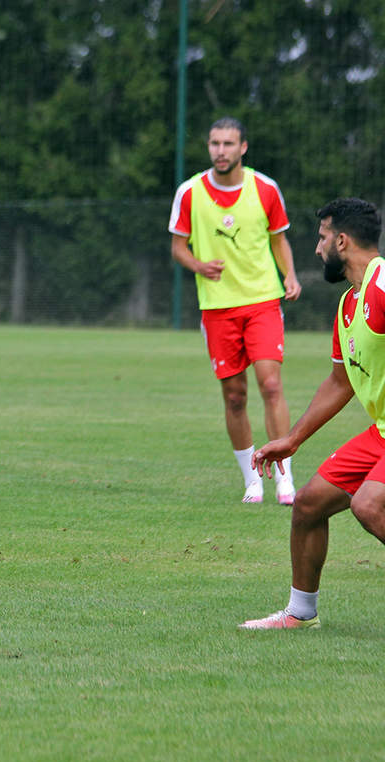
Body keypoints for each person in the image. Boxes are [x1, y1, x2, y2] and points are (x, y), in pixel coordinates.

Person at [241, 198, 385, 629]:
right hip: (381, 432)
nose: (317, 248)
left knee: (369, 504)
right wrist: (293, 439)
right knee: (307, 504)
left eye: (322, 237)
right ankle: (300, 614)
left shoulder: (382, 284)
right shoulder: (347, 305)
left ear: (342, 240)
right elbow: (339, 383)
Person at [169, 116, 301, 505]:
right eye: (214, 143)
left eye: (228, 144)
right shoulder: (190, 192)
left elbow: (279, 240)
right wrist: (199, 266)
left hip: (262, 300)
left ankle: (284, 477)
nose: (220, 151)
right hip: (217, 308)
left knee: (271, 385)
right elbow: (178, 246)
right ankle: (251, 481)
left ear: (243, 147)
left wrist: (289, 275)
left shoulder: (265, 188)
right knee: (235, 397)